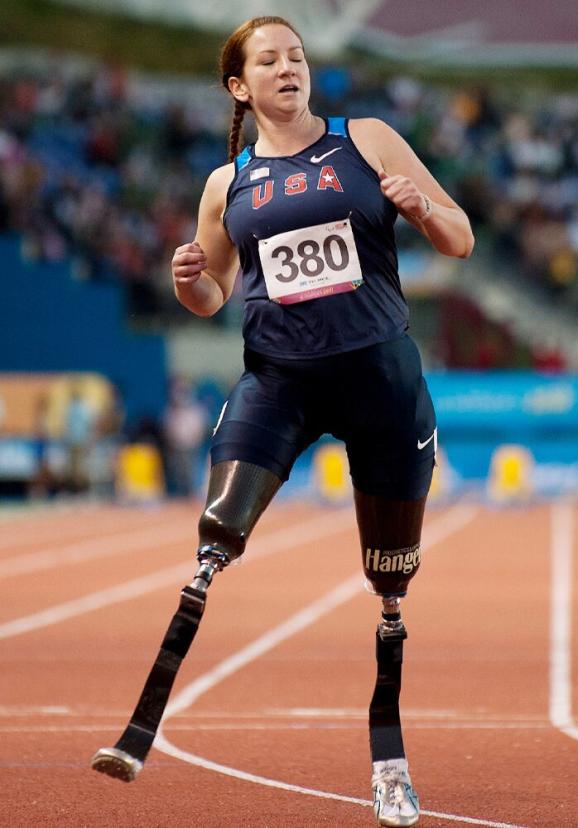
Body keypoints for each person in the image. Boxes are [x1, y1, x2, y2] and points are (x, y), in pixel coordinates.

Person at [94, 16, 472, 828]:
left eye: (296, 56)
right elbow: (211, 295)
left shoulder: (366, 139)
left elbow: (461, 237)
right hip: (279, 382)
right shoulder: (225, 185)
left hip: (381, 381)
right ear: (241, 86)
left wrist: (418, 207)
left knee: (391, 579)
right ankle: (140, 727)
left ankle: (390, 760)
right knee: (214, 536)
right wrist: (187, 278)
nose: (288, 67)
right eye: (269, 60)